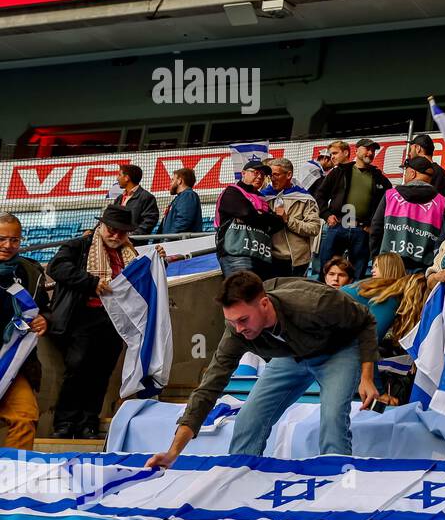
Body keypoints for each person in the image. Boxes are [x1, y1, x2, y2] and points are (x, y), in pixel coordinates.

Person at [145, 272, 379, 466]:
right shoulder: (236, 330)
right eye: (232, 321)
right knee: (249, 418)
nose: (238, 329)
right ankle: (237, 475)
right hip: (290, 355)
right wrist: (173, 452)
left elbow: (366, 321)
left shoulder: (316, 303)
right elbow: (209, 388)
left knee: (332, 420)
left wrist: (367, 377)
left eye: (244, 320)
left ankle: (336, 482)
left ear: (264, 304)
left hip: (336, 351)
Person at [46, 206, 136, 439]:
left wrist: (161, 261)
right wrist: (90, 281)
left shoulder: (130, 252)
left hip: (115, 320)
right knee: (77, 368)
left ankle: (89, 422)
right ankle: (65, 422)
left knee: (101, 372)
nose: (116, 236)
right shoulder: (79, 246)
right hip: (83, 317)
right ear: (102, 226)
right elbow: (57, 267)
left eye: (122, 232)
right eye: (112, 230)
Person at [0, 213, 49, 450]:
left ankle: (11, 482)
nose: (8, 245)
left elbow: (45, 308)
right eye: (1, 239)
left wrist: (44, 320)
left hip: (14, 364)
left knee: (25, 416)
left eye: (14, 240)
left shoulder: (30, 271)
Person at [316, 137, 391, 280]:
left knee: (358, 274)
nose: (370, 153)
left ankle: (351, 301)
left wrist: (372, 225)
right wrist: (326, 215)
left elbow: (388, 203)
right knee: (326, 270)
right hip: (338, 226)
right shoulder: (340, 171)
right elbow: (320, 195)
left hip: (362, 230)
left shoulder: (379, 178)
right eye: (367, 149)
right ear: (356, 151)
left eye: (373, 150)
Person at [368, 156, 445, 272]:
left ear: (412, 173)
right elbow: (444, 238)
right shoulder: (441, 202)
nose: (404, 175)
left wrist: (375, 258)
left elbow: (376, 228)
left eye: (405, 172)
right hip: (422, 269)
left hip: (389, 265)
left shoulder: (391, 195)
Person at [215, 159, 282, 279]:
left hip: (261, 255)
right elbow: (247, 213)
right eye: (256, 172)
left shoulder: (262, 198)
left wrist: (260, 216)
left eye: (263, 174)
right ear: (243, 173)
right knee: (243, 292)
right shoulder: (232, 191)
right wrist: (265, 217)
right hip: (236, 254)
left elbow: (278, 224)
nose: (260, 177)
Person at [342, 251, 426, 342]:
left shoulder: (386, 292)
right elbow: (373, 338)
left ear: (388, 268)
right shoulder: (388, 296)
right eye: (373, 267)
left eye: (376, 266)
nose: (372, 270)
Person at [264, 158, 321, 278]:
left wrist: (288, 219)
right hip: (270, 258)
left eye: (276, 175)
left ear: (289, 175)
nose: (272, 179)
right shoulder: (264, 197)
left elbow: (314, 228)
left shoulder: (305, 199)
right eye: (270, 175)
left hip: (297, 260)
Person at [110, 164, 159, 235]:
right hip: (118, 242)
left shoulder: (146, 197)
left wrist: (132, 236)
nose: (117, 178)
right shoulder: (119, 198)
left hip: (135, 244)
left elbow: (150, 221)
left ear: (127, 178)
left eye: (119, 175)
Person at [156, 167, 203, 235]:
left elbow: (183, 221)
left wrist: (167, 239)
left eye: (172, 180)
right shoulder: (181, 197)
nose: (170, 183)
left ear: (179, 181)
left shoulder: (187, 195)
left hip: (179, 243)